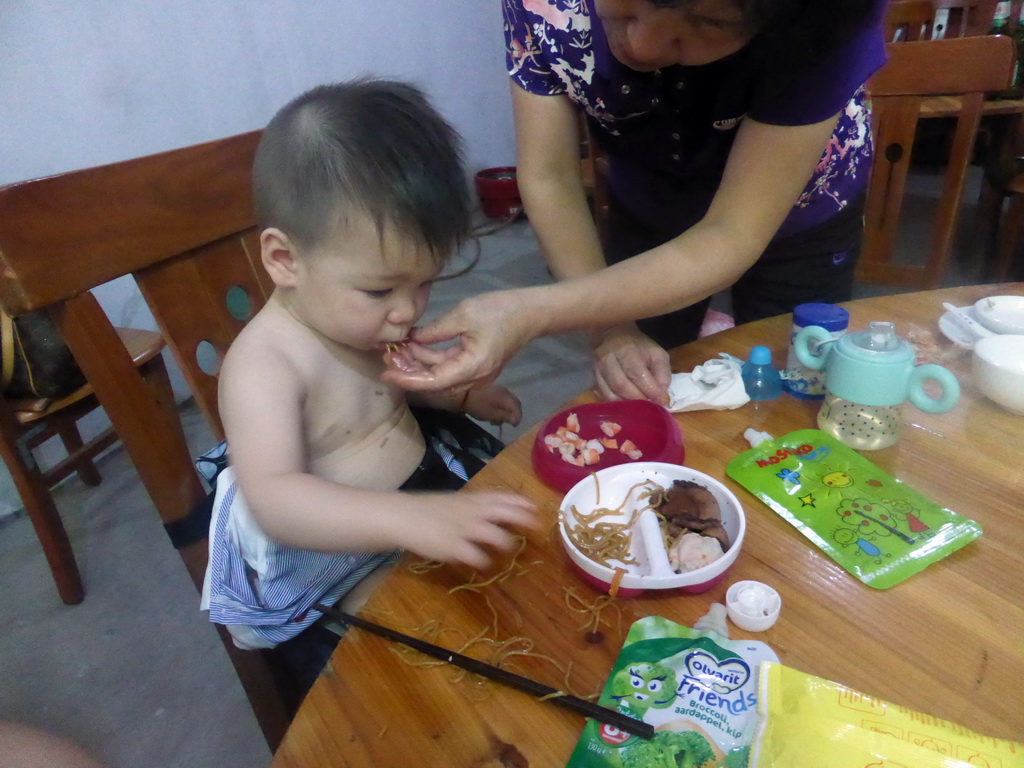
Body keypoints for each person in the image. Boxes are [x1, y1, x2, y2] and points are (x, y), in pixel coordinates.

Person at [199, 79, 536, 693]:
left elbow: (385, 389)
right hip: (335, 545)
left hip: (419, 484)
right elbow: (276, 499)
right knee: (443, 657)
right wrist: (404, 519)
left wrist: (451, 394)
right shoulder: (264, 365)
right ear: (283, 259)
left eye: (425, 283)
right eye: (381, 289)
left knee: (529, 560)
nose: (406, 311)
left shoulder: (356, 315)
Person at [382, 0, 887, 405]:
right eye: (628, 4)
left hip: (801, 208)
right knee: (642, 384)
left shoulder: (827, 15)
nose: (641, 45)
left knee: (795, 390)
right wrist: (611, 330)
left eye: (710, 19)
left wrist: (528, 311)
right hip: (651, 196)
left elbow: (732, 232)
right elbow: (551, 176)